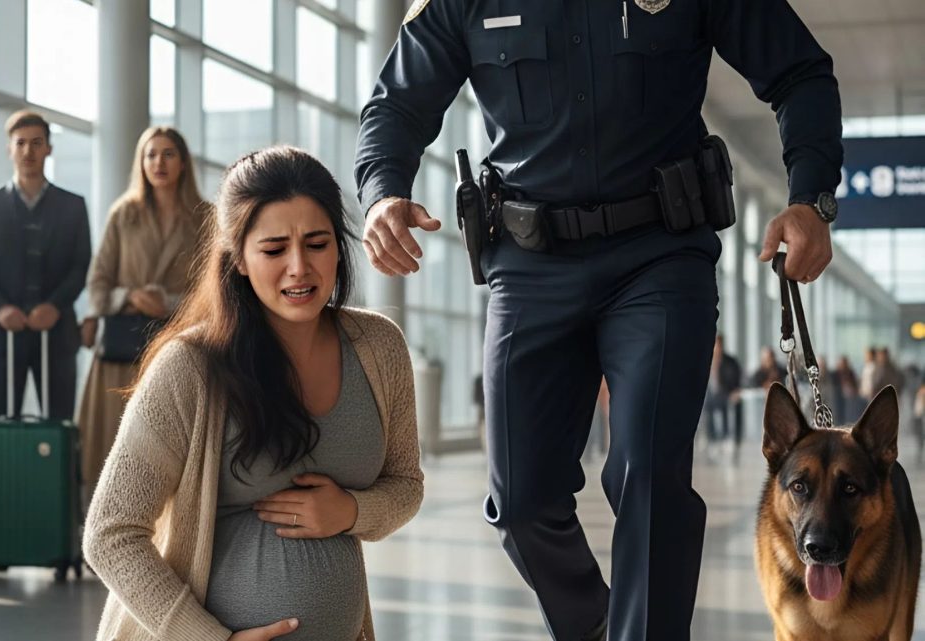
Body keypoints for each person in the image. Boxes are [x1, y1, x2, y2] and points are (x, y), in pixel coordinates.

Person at [353, 1, 842, 640]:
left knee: (648, 483)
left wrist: (811, 199)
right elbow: (395, 104)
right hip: (529, 266)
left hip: (660, 258)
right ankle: (601, 627)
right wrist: (383, 190)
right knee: (520, 503)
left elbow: (800, 72)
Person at [83, 146, 423, 641]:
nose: (299, 267)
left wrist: (351, 511)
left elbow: (406, 485)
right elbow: (110, 533)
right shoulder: (191, 367)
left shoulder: (379, 347)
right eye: (274, 249)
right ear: (237, 258)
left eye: (317, 243)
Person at [77, 126, 209, 504]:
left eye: (168, 154)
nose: (159, 162)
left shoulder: (205, 217)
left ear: (183, 162)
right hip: (121, 353)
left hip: (177, 349)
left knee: (169, 451)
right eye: (151, 154)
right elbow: (98, 286)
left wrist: (166, 302)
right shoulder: (124, 214)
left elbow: (214, 292)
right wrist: (131, 296)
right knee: (112, 449)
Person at [0, 110, 91, 420]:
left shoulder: (73, 206)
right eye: (20, 143)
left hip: (57, 333)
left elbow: (80, 265)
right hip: (2, 332)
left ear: (49, 148)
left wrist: (55, 306)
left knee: (60, 423)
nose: (28, 152)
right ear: (9, 149)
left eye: (37, 143)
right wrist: (0, 308)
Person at [703, 335, 742, 462]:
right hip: (710, 396)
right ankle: (712, 440)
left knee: (733, 405)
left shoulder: (730, 361)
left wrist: (735, 391)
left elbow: (736, 380)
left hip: (726, 394)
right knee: (706, 409)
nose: (717, 348)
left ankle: (727, 439)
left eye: (719, 345)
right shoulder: (705, 359)